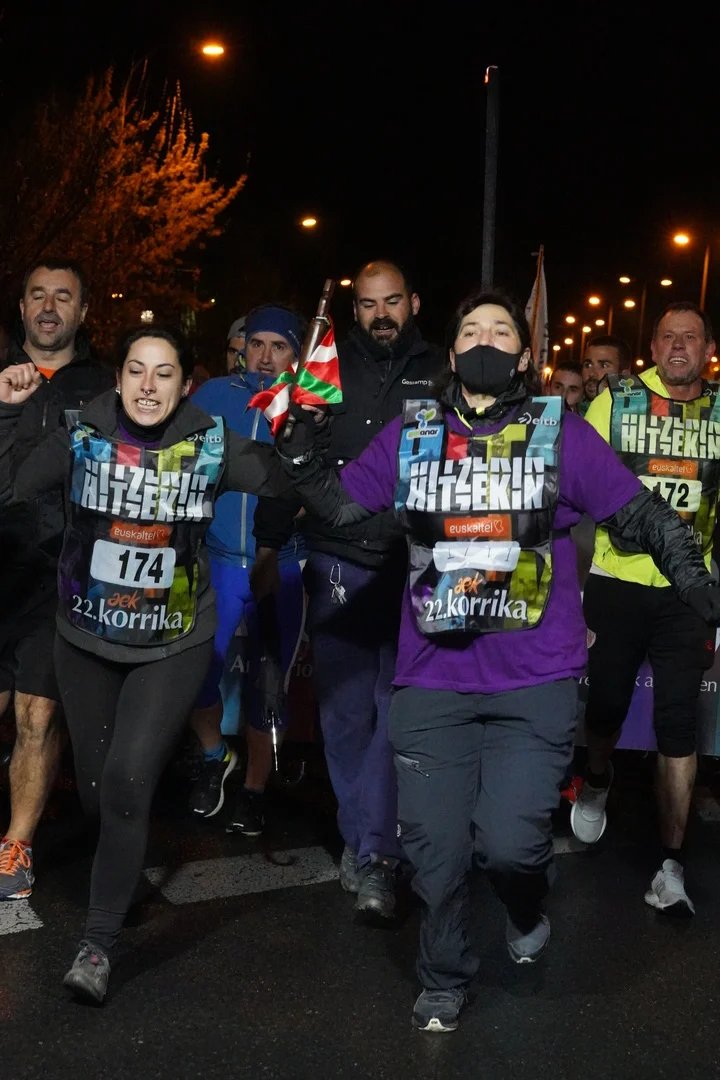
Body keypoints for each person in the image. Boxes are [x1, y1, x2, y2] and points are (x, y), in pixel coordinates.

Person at [276, 290, 720, 1032]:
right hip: (431, 679)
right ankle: (443, 976)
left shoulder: (559, 433)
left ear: (523, 355)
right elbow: (342, 507)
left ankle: (524, 905)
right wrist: (299, 451)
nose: (485, 340)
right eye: (471, 330)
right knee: (436, 852)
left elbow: (640, 514)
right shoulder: (415, 431)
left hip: (534, 682)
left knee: (512, 850)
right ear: (451, 355)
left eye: (501, 330)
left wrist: (694, 581)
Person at [0, 324, 292, 1003]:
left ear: (185, 384)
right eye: (136, 370)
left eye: (164, 373)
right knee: (97, 790)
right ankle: (122, 868)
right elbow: (10, 488)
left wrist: (303, 437)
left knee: (129, 779)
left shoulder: (211, 443)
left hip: (173, 641)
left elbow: (283, 483)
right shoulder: (83, 433)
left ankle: (97, 945)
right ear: (118, 377)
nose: (148, 386)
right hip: (86, 637)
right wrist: (7, 414)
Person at [264, 259, 444, 920]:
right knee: (343, 716)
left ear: (413, 302)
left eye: (392, 301)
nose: (381, 314)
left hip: (414, 564)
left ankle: (376, 852)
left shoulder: (442, 371)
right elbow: (293, 462)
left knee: (395, 712)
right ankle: (361, 836)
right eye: (368, 304)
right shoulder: (324, 369)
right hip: (338, 558)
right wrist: (268, 539)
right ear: (355, 310)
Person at [571, 301, 720, 916]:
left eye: (691, 337)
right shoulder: (618, 401)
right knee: (605, 706)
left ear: (708, 349)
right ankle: (597, 778)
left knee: (678, 723)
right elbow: (578, 481)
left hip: (688, 591)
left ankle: (671, 866)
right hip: (618, 580)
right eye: (668, 337)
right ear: (653, 348)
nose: (679, 346)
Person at [0, 258, 114, 901]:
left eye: (63, 297)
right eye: (37, 295)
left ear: (83, 310)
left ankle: (16, 846)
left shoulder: (106, 388)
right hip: (0, 570)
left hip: (62, 577)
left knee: (37, 715)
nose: (48, 307)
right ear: (21, 307)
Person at [189, 305, 307, 835]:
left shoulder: (310, 405)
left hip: (282, 565)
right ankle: (215, 757)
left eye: (278, 346)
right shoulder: (213, 395)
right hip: (218, 560)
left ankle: (255, 792)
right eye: (255, 343)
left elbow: (326, 483)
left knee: (267, 688)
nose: (264, 356)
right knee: (195, 675)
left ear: (296, 354)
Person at [579, 334, 631, 415]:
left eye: (603, 366)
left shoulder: (634, 417)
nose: (592, 373)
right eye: (588, 365)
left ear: (624, 375)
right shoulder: (567, 416)